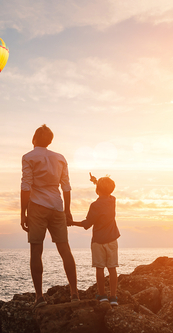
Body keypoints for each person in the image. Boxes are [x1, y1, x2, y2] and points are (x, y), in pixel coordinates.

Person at [20, 124, 79, 308]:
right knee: (65, 250)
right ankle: (74, 294)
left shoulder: (28, 157)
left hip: (37, 207)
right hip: (57, 206)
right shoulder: (60, 158)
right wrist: (67, 211)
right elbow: (66, 187)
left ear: (34, 138)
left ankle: (39, 297)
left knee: (36, 252)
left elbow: (26, 186)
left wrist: (23, 212)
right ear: (50, 141)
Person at [71, 173, 120, 306]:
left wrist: (72, 222)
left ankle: (102, 295)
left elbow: (87, 224)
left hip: (98, 241)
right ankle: (113, 297)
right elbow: (106, 192)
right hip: (112, 240)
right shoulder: (112, 201)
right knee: (112, 268)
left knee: (100, 268)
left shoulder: (95, 205)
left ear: (97, 190)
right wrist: (96, 182)